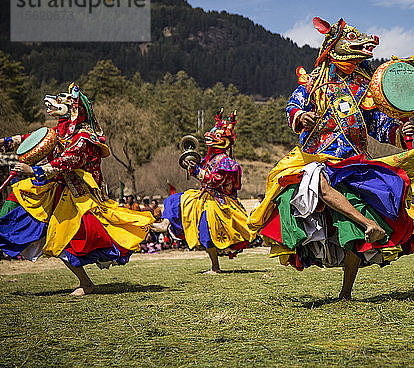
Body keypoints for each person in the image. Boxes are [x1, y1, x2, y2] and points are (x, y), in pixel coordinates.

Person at [248, 17, 414, 300]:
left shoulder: (365, 87)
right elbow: (293, 106)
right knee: (317, 184)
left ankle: (347, 290)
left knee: (353, 230)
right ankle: (367, 225)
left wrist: (398, 131)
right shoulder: (313, 83)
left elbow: (377, 124)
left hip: (356, 160)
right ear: (333, 48)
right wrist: (301, 116)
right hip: (320, 156)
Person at [0, 83, 155, 295]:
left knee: (69, 241)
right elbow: (29, 139)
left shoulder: (84, 138)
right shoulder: (56, 132)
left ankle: (86, 283)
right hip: (56, 191)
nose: (52, 104)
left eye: (60, 102)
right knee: (20, 199)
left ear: (74, 109)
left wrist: (33, 170)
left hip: (80, 198)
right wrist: (3, 143)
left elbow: (69, 160)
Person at [152, 110, 256, 273]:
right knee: (174, 200)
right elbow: (202, 172)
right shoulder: (210, 159)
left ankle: (215, 267)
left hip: (219, 201)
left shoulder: (227, 162)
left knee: (207, 229)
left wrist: (196, 171)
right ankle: (165, 224)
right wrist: (191, 164)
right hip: (203, 196)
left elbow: (215, 180)